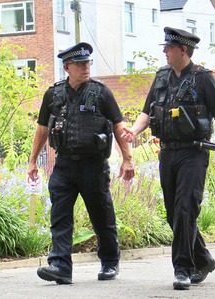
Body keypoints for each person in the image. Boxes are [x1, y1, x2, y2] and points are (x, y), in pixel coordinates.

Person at [121, 27, 215, 290]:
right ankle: (204, 259)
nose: (164, 51)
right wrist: (134, 131)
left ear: (182, 50)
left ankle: (183, 269)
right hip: (168, 152)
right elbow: (147, 112)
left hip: (194, 153)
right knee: (174, 213)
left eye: (168, 48)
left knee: (186, 208)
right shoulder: (161, 76)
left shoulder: (203, 78)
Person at [28, 42, 135, 284]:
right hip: (64, 165)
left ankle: (109, 263)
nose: (86, 67)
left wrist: (127, 159)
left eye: (88, 63)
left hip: (93, 166)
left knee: (101, 216)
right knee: (60, 217)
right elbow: (42, 128)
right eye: (80, 64)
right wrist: (32, 161)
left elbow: (119, 127)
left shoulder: (101, 93)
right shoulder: (53, 94)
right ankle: (60, 266)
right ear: (67, 67)